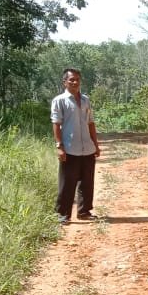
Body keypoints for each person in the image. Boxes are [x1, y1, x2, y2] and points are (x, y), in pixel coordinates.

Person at [51, 68, 101, 225]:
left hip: (87, 147)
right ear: (64, 82)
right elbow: (56, 124)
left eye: (77, 79)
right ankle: (63, 214)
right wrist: (59, 146)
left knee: (87, 182)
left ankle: (84, 211)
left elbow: (90, 123)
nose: (75, 82)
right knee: (67, 183)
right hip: (70, 148)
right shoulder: (59, 100)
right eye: (71, 79)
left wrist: (95, 144)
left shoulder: (85, 100)